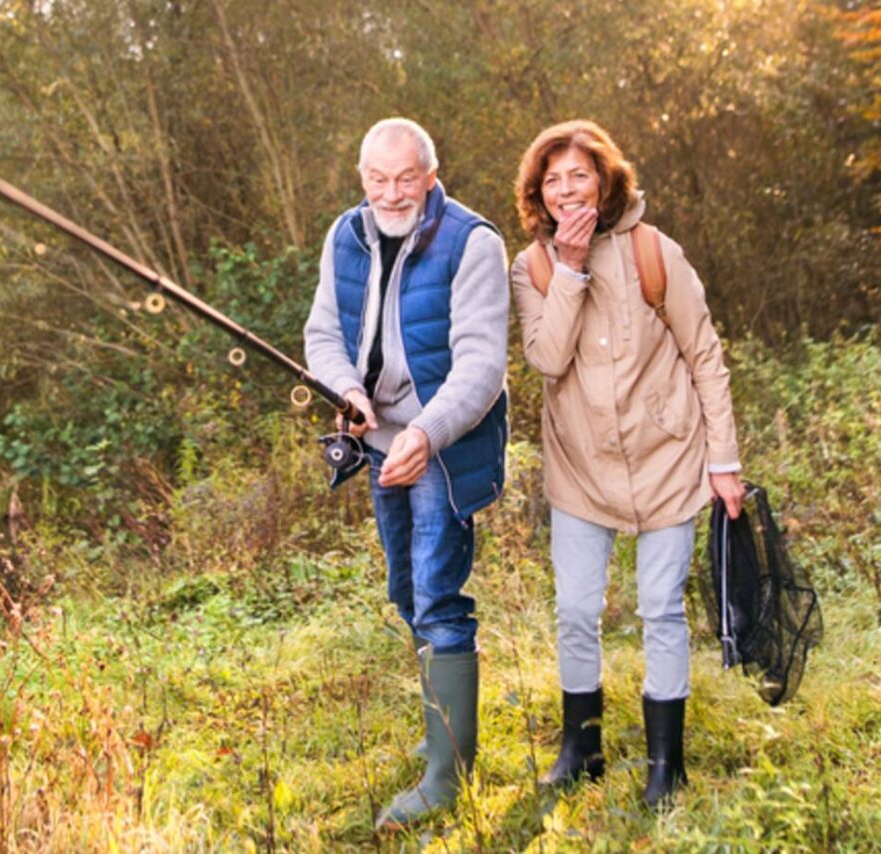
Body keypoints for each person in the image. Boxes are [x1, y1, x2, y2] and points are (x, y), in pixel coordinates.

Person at [508, 119, 745, 807]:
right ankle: (581, 748)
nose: (565, 189)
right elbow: (548, 359)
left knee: (660, 610)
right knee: (577, 610)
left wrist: (722, 460)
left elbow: (705, 356)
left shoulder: (653, 251)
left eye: (578, 174)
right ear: (539, 195)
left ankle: (666, 763)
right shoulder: (535, 267)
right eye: (551, 180)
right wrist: (572, 270)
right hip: (581, 468)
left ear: (605, 178)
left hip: (669, 457)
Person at [302, 117, 510, 830]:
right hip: (378, 442)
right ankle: (442, 733)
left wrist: (426, 431)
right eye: (377, 179)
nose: (391, 194)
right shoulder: (346, 235)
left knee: (438, 594)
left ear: (430, 171)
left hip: (444, 442)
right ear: (363, 177)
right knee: (404, 589)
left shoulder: (473, 242)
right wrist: (348, 392)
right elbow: (323, 336)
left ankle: (448, 778)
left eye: (405, 178)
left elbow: (483, 366)